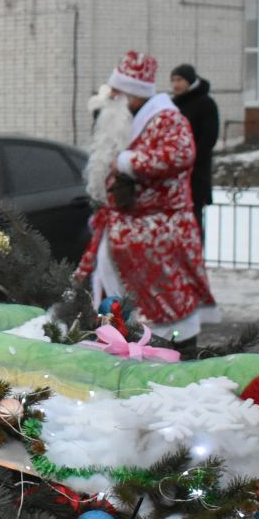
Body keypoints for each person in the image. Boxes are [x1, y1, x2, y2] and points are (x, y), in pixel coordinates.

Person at [75, 50, 215, 348]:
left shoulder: (166, 118)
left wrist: (127, 162)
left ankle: (171, 357)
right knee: (123, 304)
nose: (110, 94)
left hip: (160, 241)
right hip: (128, 235)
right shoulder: (129, 116)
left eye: (116, 89)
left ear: (132, 93)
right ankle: (121, 343)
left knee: (167, 313)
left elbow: (182, 154)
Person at [169, 63, 219, 248]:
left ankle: (196, 254)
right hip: (174, 172)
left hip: (195, 172)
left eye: (179, 80)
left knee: (194, 217)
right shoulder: (172, 104)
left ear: (190, 81)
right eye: (173, 80)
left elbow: (209, 137)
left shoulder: (205, 103)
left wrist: (189, 158)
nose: (176, 84)